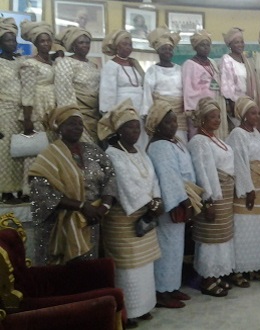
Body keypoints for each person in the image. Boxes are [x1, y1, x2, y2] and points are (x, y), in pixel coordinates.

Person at [97, 99, 162, 328]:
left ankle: (144, 306)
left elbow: (152, 178)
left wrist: (156, 199)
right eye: (129, 127)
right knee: (128, 267)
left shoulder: (140, 151)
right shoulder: (113, 154)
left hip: (146, 214)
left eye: (137, 126)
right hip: (125, 218)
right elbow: (124, 184)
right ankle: (127, 312)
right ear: (118, 130)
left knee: (144, 268)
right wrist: (148, 204)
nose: (135, 131)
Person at [29, 105, 116, 266]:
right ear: (60, 128)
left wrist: (104, 206)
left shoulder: (93, 151)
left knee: (86, 271)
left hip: (90, 221)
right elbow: (41, 191)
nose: (77, 127)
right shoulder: (49, 155)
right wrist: (81, 206)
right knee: (62, 275)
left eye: (80, 123)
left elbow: (110, 176)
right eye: (71, 123)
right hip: (59, 225)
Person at [146, 100, 203, 308]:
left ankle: (171, 287)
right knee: (167, 248)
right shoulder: (160, 146)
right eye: (167, 122)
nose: (172, 125)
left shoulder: (175, 141)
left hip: (183, 196)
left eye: (173, 121)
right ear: (157, 124)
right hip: (173, 201)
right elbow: (169, 177)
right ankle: (161, 292)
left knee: (176, 249)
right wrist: (183, 202)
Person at [188, 97, 244, 297]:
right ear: (202, 119)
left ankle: (218, 274)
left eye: (218, 117)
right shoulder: (198, 141)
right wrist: (208, 200)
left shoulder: (217, 139)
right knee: (211, 237)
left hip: (226, 194)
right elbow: (202, 172)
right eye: (212, 117)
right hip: (213, 195)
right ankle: (207, 279)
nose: (217, 120)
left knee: (223, 236)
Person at [225, 96, 260, 285]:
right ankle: (239, 270)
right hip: (247, 188)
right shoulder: (237, 134)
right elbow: (239, 163)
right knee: (242, 229)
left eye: (258, 112)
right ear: (243, 115)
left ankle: (258, 268)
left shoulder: (257, 133)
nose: (257, 116)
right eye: (253, 113)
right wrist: (248, 189)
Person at [19, 21, 57, 199]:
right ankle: (30, 188)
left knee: (50, 148)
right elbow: (26, 92)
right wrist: (28, 119)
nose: (46, 44)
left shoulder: (53, 62)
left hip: (52, 106)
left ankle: (48, 186)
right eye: (42, 41)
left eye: (48, 41)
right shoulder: (30, 64)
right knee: (35, 148)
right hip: (37, 106)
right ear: (35, 43)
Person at [100, 29, 147, 148]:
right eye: (124, 44)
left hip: (139, 110)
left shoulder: (135, 64)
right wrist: (110, 117)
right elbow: (107, 93)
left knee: (140, 141)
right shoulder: (111, 66)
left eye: (130, 44)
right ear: (116, 46)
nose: (128, 47)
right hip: (121, 111)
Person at [54, 26, 101, 143]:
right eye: (81, 42)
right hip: (77, 118)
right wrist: (73, 119)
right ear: (73, 45)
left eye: (87, 42)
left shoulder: (93, 64)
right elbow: (63, 94)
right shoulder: (66, 63)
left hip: (95, 115)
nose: (85, 45)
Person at [220, 27, 260, 134]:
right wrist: (233, 105)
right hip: (237, 107)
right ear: (230, 45)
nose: (240, 45)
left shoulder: (247, 60)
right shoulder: (227, 59)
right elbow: (227, 85)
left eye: (242, 42)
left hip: (251, 104)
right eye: (236, 42)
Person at [142, 27, 186, 141]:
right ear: (158, 51)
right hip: (160, 116)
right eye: (164, 49)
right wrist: (148, 116)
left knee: (181, 144)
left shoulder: (180, 69)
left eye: (170, 49)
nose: (167, 52)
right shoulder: (152, 71)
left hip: (179, 117)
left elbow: (186, 92)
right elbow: (147, 96)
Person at [182, 30, 228, 138]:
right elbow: (188, 90)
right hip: (200, 108)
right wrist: (192, 110)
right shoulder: (189, 64)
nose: (206, 47)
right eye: (202, 45)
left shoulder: (212, 62)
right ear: (196, 47)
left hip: (216, 102)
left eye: (208, 45)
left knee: (217, 135)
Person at [1, 18, 24, 203]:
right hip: (3, 113)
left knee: (19, 154)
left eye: (13, 40)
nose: (11, 43)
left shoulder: (20, 61)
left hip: (20, 113)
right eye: (7, 40)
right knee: (4, 154)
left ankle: (18, 190)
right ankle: (5, 192)